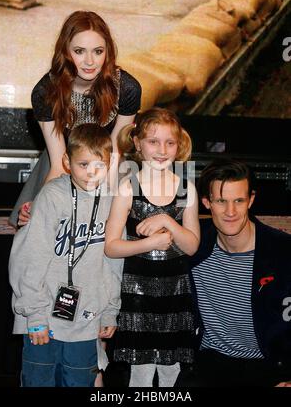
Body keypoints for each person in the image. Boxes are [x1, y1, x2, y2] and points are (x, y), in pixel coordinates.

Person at [9, 124, 123, 387]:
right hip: (43, 318)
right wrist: (34, 315)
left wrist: (110, 311)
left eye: (99, 165)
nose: (91, 173)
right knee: (39, 381)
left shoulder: (112, 200)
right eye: (83, 164)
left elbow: (114, 262)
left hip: (87, 320)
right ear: (67, 162)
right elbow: (29, 258)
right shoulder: (52, 196)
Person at [9, 10, 141, 228]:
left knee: (110, 227)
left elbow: (115, 155)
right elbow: (60, 164)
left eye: (98, 51)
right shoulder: (45, 92)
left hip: (111, 163)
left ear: (107, 52)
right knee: (41, 223)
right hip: (63, 160)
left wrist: (100, 205)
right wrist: (45, 206)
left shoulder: (127, 88)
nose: (90, 61)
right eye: (79, 51)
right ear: (66, 51)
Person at [104, 107, 200, 387]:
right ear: (137, 143)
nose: (162, 150)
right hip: (138, 295)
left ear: (179, 145)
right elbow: (111, 247)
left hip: (174, 295)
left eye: (170, 143)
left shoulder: (185, 187)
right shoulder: (127, 187)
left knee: (171, 370)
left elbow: (192, 246)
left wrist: (165, 220)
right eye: (153, 141)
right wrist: (149, 243)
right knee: (142, 372)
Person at [175, 158, 291, 387]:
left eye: (239, 200)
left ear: (251, 200)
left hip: (268, 366)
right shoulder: (193, 247)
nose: (230, 212)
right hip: (208, 363)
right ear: (207, 202)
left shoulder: (282, 251)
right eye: (221, 201)